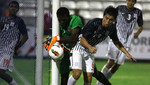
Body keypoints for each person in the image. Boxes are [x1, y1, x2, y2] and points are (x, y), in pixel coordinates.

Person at [67, 6, 136, 85]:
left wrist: (127, 54)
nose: (107, 21)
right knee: (77, 74)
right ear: (103, 16)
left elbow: (116, 42)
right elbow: (82, 39)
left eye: (111, 20)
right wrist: (90, 47)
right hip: (78, 47)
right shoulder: (94, 23)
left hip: (88, 51)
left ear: (114, 20)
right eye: (106, 18)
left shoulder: (112, 29)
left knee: (89, 78)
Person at [97, 0, 143, 84]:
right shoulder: (119, 8)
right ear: (126, 1)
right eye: (129, 0)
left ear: (135, 2)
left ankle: (101, 83)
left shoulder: (138, 12)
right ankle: (99, 82)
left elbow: (141, 26)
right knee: (111, 61)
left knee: (117, 66)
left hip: (127, 42)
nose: (130, 2)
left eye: (132, 1)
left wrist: (137, 32)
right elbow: (111, 19)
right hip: (116, 38)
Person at [0, 1, 28, 85]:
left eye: (15, 7)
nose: (13, 8)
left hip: (7, 50)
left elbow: (25, 36)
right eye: (11, 6)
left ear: (18, 9)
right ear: (8, 8)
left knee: (1, 72)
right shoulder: (2, 19)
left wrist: (17, 47)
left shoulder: (19, 21)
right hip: (0, 47)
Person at [56, 7, 83, 85]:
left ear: (69, 17)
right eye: (60, 20)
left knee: (93, 72)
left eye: (64, 20)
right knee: (64, 75)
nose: (61, 22)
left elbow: (73, 38)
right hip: (64, 50)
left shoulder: (75, 19)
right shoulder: (55, 23)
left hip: (79, 49)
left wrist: (57, 39)